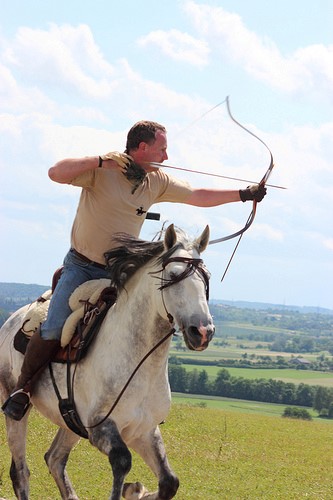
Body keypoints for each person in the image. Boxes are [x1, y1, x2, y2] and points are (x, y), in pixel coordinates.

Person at [2, 120, 266, 420]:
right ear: (142, 148)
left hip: (121, 271)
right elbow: (55, 172)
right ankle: (22, 390)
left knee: (141, 324)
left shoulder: (157, 181)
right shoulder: (102, 171)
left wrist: (244, 194)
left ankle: (139, 401)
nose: (166, 156)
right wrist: (101, 161)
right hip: (81, 268)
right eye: (162, 149)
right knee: (53, 326)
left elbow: (197, 195)